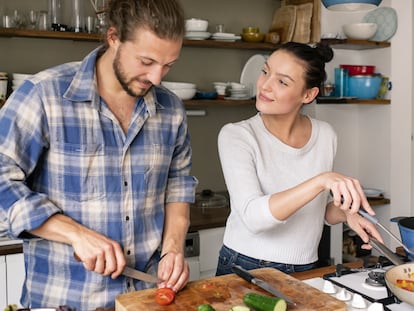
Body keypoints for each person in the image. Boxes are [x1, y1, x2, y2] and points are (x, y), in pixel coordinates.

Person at [0, 0, 198, 309]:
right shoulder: (44, 96)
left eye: (168, 65)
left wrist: (173, 249)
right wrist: (76, 234)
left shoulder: (171, 110)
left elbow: (178, 185)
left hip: (146, 298)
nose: (157, 78)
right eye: (146, 61)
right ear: (113, 37)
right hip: (67, 297)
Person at [215, 42, 383, 276]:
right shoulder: (237, 135)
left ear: (308, 94)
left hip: (306, 267)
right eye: (265, 72)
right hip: (245, 265)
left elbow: (315, 213)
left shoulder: (325, 135)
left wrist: (348, 215)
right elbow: (253, 217)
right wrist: (321, 180)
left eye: (282, 81)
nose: (265, 85)